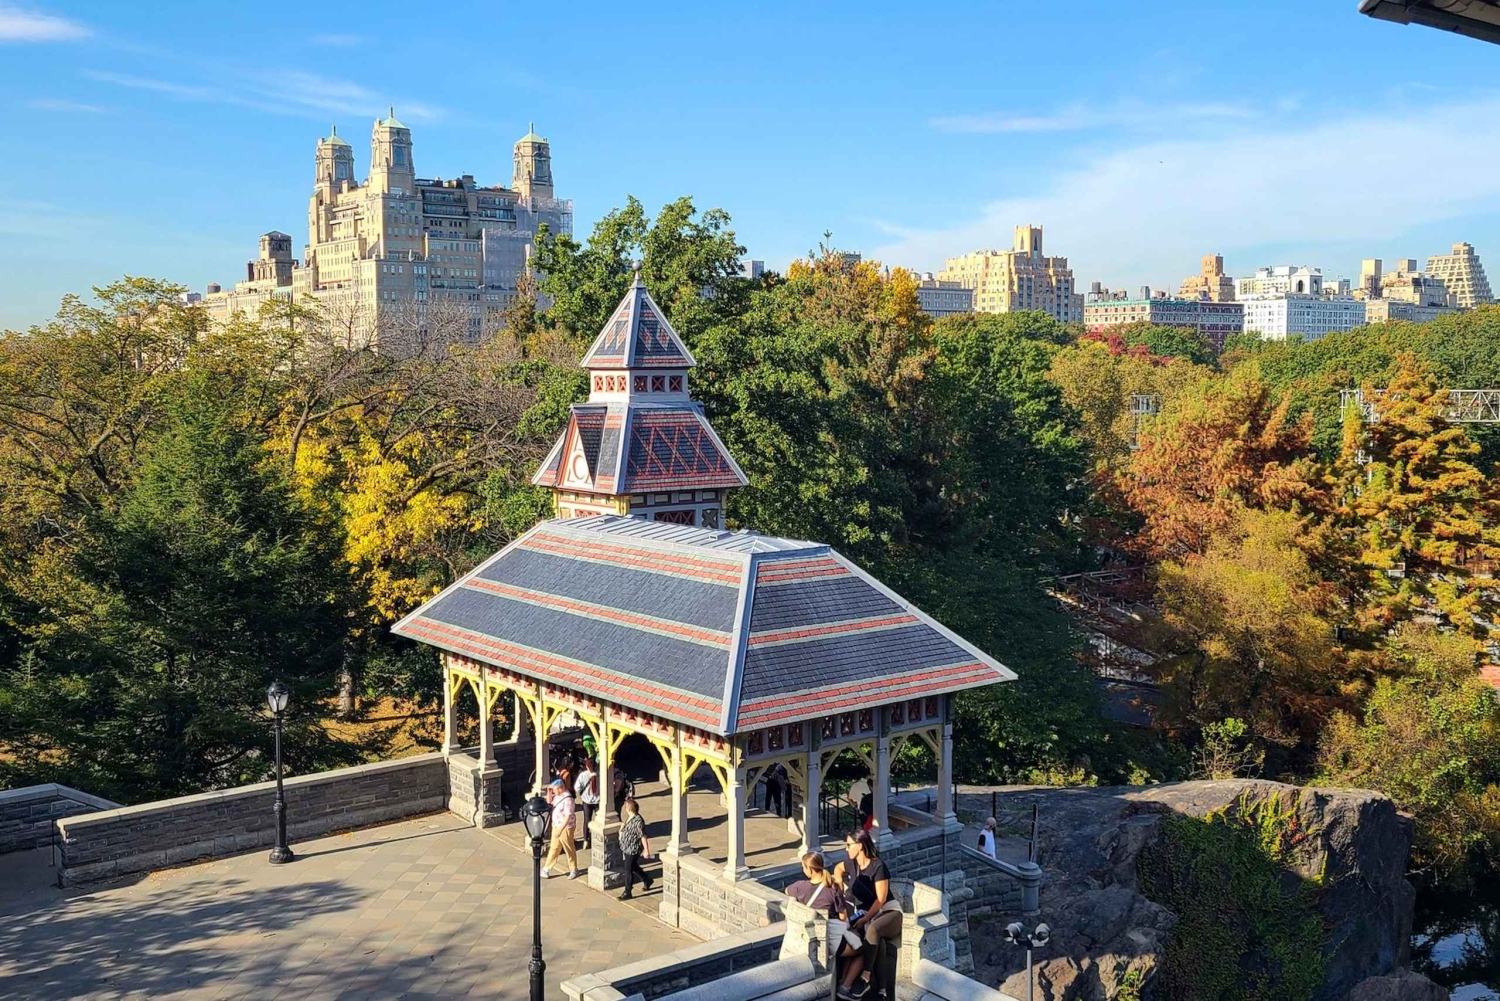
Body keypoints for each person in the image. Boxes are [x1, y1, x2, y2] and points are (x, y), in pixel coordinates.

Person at [835, 829, 902, 1001]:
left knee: (873, 929)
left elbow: (881, 899)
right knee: (871, 938)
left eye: (848, 845)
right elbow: (837, 868)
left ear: (860, 845)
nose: (846, 848)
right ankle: (881, 991)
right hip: (868, 914)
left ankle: (865, 977)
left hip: (889, 912)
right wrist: (841, 885)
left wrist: (865, 918)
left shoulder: (878, 865)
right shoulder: (851, 863)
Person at [542, 771, 582, 880]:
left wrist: (561, 829)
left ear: (560, 788)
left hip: (566, 827)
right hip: (556, 825)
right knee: (554, 847)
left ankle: (574, 869)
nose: (554, 792)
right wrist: (549, 791)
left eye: (554, 790)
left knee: (568, 847)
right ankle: (546, 868)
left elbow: (568, 816)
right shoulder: (557, 796)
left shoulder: (568, 800)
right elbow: (549, 801)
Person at [617, 797, 654, 900]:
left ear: (629, 809)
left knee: (628, 869)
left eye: (626, 807)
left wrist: (646, 850)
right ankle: (647, 879)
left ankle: (627, 891)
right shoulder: (630, 817)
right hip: (626, 847)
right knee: (634, 867)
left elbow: (643, 836)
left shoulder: (638, 821)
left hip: (633, 849)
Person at [784, 851, 841, 916]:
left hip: (806, 921)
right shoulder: (833, 888)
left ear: (810, 870)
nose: (803, 870)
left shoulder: (799, 886)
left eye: (803, 867)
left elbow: (786, 891)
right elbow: (843, 916)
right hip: (826, 922)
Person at [575, 758, 600, 850]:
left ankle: (586, 840)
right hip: (598, 801)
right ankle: (598, 837)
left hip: (586, 801)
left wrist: (583, 794)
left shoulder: (583, 775)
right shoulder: (600, 775)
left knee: (587, 820)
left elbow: (577, 788)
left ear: (586, 766)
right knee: (600, 820)